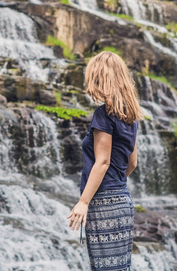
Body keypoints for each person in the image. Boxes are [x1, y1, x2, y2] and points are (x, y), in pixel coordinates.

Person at [67, 51, 145, 270]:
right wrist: (115, 184)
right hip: (122, 202)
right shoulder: (132, 116)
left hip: (103, 203)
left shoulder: (104, 114)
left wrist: (83, 202)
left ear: (100, 78)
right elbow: (132, 163)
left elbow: (103, 161)